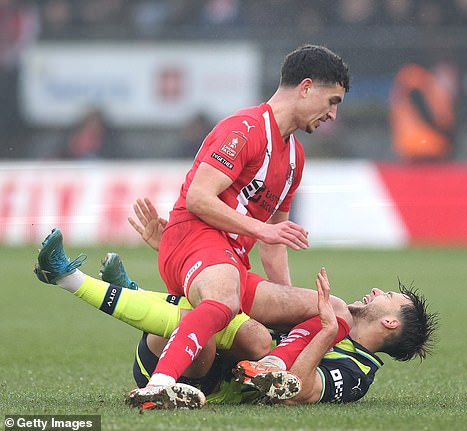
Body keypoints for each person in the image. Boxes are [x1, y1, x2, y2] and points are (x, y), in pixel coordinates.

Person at [33, 206, 437, 407]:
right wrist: (182, 256)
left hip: (199, 377)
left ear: (388, 322)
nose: (376, 289)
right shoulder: (332, 320)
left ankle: (70, 279)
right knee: (234, 316)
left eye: (389, 296)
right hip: (202, 351)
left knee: (245, 332)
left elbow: (296, 391)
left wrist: (327, 331)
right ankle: (129, 291)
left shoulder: (357, 373)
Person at [133, 44, 350, 403]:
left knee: (335, 310)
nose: (333, 115)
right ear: (307, 87)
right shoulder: (244, 129)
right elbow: (199, 198)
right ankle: (157, 386)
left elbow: (274, 242)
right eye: (333, 101)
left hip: (232, 262)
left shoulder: (295, 158)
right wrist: (262, 228)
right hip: (193, 237)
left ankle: (270, 366)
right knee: (225, 296)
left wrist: (287, 311)